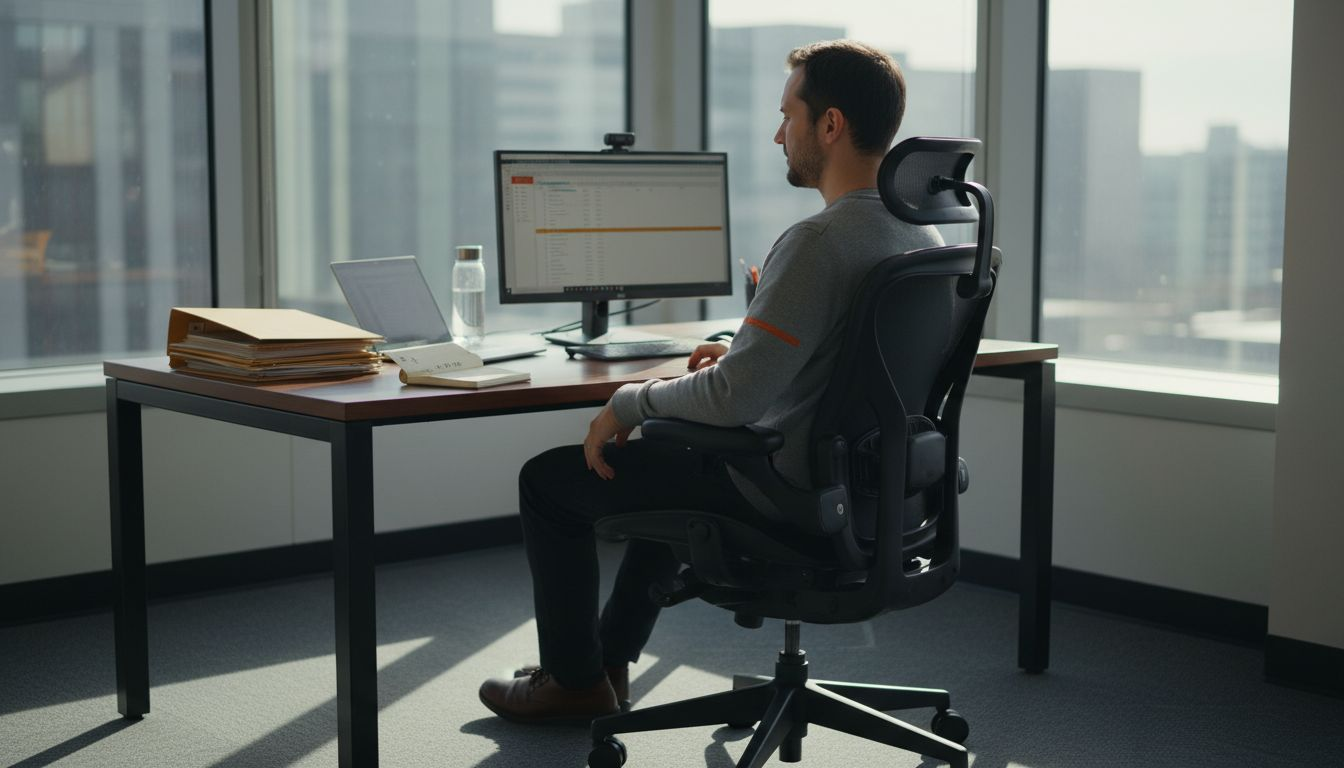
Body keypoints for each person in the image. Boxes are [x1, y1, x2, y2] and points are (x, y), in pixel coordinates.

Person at [478, 39, 944, 725]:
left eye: (787, 115)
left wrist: (629, 402)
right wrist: (737, 351)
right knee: (674, 462)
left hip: (786, 495)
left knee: (550, 483)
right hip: (875, 493)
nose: (777, 134)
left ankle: (574, 686)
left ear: (830, 125)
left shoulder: (820, 241)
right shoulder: (923, 238)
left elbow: (735, 399)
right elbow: (835, 364)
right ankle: (607, 661)